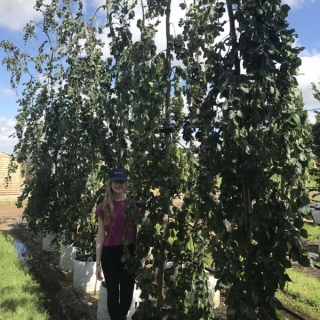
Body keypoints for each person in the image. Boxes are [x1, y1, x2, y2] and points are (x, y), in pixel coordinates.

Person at [95, 168, 137, 320]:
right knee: (112, 293)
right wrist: (98, 263)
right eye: (115, 181)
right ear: (110, 183)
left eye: (121, 181)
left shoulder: (134, 203)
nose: (118, 184)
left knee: (127, 293)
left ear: (126, 183)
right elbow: (100, 236)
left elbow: (145, 224)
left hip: (129, 252)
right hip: (110, 253)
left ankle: (121, 317)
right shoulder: (103, 207)